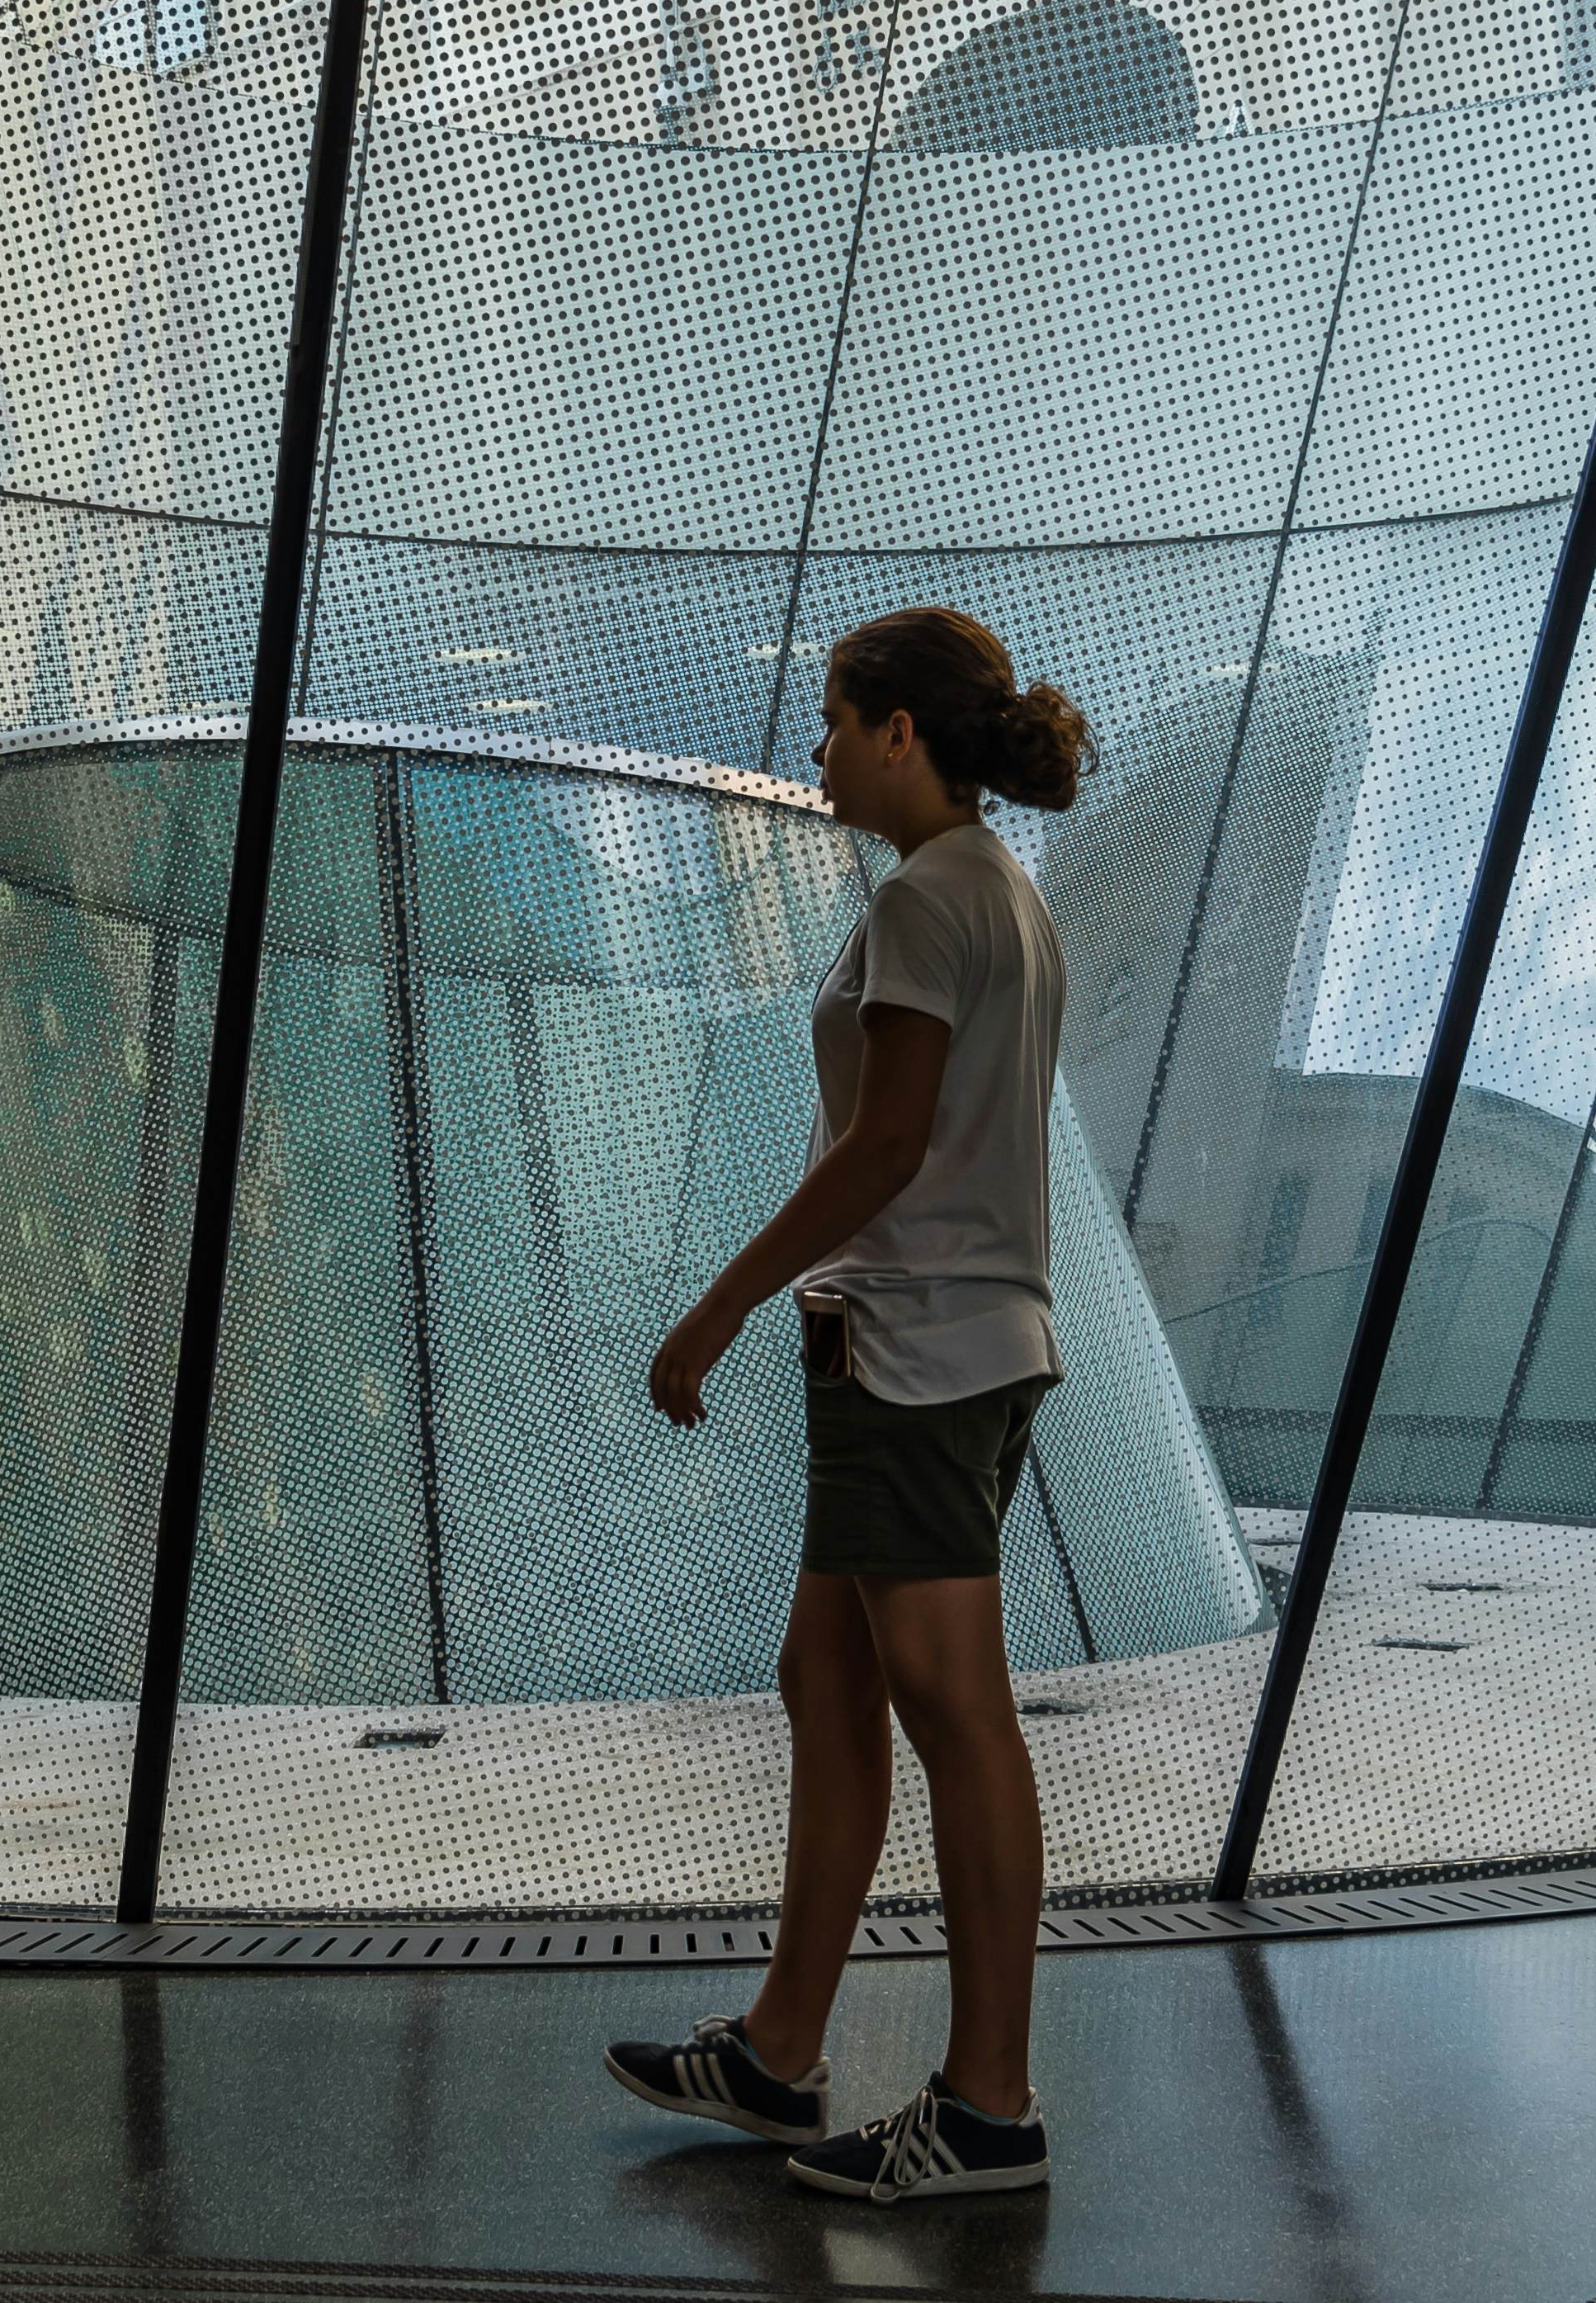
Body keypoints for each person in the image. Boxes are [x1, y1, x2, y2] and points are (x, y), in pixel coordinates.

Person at [603, 606, 1090, 2203]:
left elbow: (884, 1147)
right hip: (966, 1336)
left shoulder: (926, 896)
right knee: (831, 1674)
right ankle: (779, 2047)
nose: (813, 747)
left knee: (955, 1709)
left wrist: (721, 1302)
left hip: (914, 1349)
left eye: (831, 715)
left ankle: (989, 2108)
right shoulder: (1004, 898)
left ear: (897, 730)